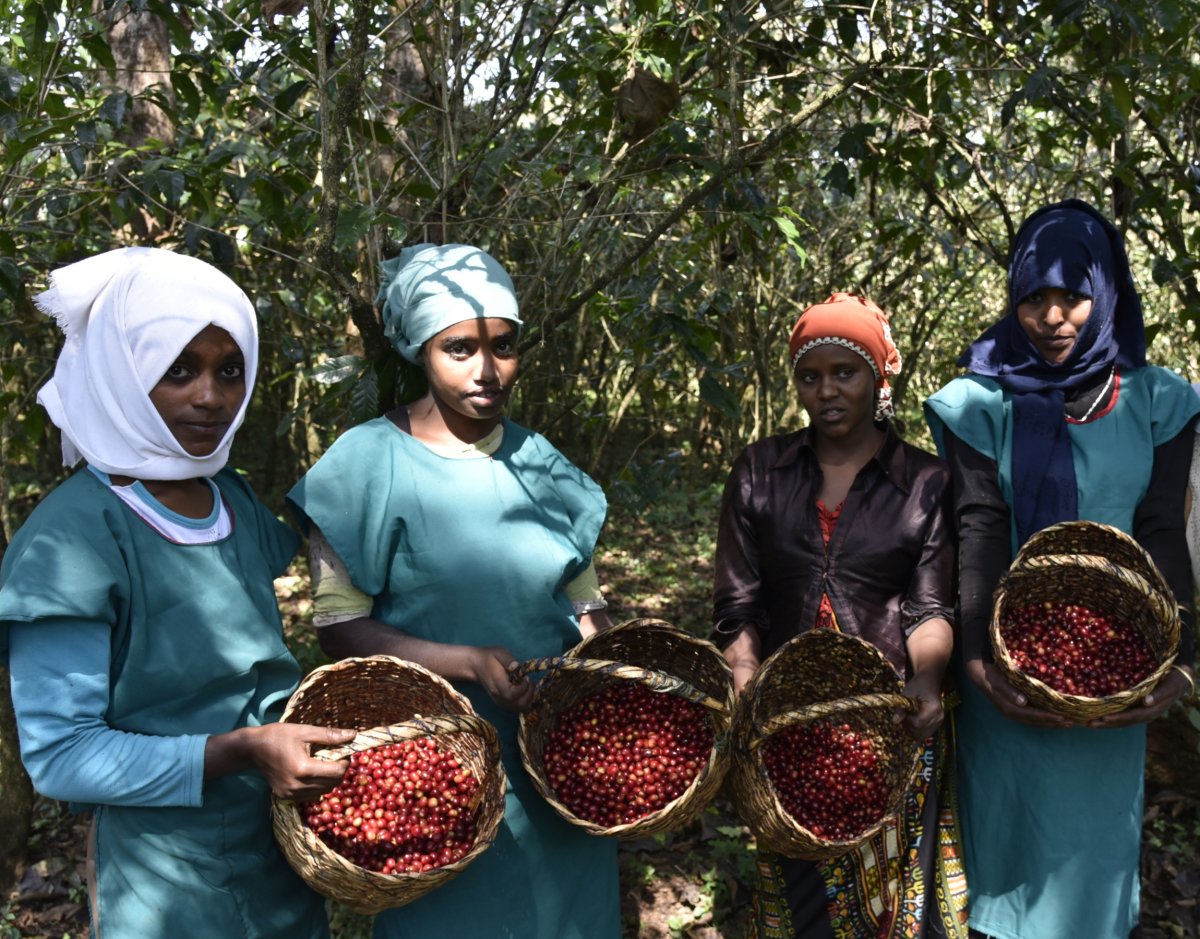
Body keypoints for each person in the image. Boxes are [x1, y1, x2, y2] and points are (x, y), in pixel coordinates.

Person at [0, 247, 355, 939]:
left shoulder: (230, 498)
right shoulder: (70, 539)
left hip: (275, 845)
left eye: (229, 369)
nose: (211, 395)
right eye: (178, 369)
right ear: (121, 374)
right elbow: (62, 755)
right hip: (165, 875)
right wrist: (244, 748)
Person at [286, 243, 621, 938]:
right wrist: (467, 661)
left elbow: (585, 606)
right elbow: (340, 626)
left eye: (504, 345)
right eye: (460, 348)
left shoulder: (541, 462)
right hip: (437, 770)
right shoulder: (365, 463)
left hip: (556, 764)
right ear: (419, 350)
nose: (488, 368)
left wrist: (610, 677)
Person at [924, 199, 1199, 939]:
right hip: (1008, 666)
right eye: (1033, 297)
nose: (1052, 316)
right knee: (1002, 877)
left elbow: (1162, 528)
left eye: (1072, 296)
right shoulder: (983, 402)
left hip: (1119, 670)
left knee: (1090, 876)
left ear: (1104, 292)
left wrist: (1180, 662)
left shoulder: (1156, 402)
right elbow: (978, 526)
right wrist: (981, 660)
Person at [714, 293, 968, 939]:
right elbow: (737, 601)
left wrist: (929, 678)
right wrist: (743, 672)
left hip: (888, 722)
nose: (825, 390)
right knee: (802, 894)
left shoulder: (926, 482)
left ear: (880, 377)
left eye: (844, 372)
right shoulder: (760, 472)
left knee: (893, 898)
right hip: (787, 721)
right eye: (810, 374)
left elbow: (930, 603)